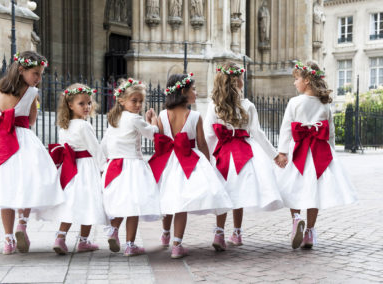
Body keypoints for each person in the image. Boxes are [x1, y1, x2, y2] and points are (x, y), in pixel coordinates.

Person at [0, 51, 64, 254]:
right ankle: (22, 224)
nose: (38, 78)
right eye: (36, 73)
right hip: (21, 141)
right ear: (21, 70)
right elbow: (31, 121)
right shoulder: (31, 93)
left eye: (40, 74)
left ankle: (8, 240)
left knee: (5, 190)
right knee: (30, 183)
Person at [148, 72, 232, 259]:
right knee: (182, 204)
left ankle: (166, 235)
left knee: (169, 198)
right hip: (190, 161)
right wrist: (208, 164)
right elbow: (201, 144)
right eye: (193, 89)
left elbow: (160, 141)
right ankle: (177, 245)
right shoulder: (194, 116)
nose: (196, 92)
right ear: (184, 91)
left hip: (169, 162)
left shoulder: (162, 115)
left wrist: (153, 122)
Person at [277, 60, 357, 249]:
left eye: (296, 79)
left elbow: (286, 129)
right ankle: (310, 232)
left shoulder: (295, 102)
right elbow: (330, 133)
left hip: (299, 152)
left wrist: (282, 151)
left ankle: (296, 218)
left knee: (292, 187)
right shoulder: (325, 105)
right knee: (315, 192)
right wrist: (332, 151)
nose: (294, 83)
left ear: (306, 80)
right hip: (319, 154)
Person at [204, 62, 284, 251]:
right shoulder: (247, 105)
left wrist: (205, 159)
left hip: (222, 154)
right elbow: (258, 133)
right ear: (238, 82)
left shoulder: (214, 105)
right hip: (244, 155)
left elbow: (208, 134)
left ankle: (219, 232)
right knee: (237, 192)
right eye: (242, 78)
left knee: (224, 192)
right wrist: (274, 155)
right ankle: (237, 233)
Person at [39, 83, 108, 255]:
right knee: (89, 203)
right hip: (86, 168)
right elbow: (95, 148)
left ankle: (60, 237)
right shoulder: (84, 126)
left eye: (89, 103)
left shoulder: (65, 125)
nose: (87, 107)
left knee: (71, 203)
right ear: (70, 105)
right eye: (82, 103)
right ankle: (83, 241)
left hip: (70, 169)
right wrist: (103, 167)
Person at [101, 78, 161, 256]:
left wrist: (107, 161)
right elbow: (152, 134)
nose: (138, 104)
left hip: (115, 165)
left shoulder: (114, 119)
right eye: (134, 100)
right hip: (133, 166)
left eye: (141, 101)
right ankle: (130, 245)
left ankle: (113, 230)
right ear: (121, 100)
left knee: (122, 203)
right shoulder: (135, 119)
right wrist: (153, 122)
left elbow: (105, 144)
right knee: (133, 206)